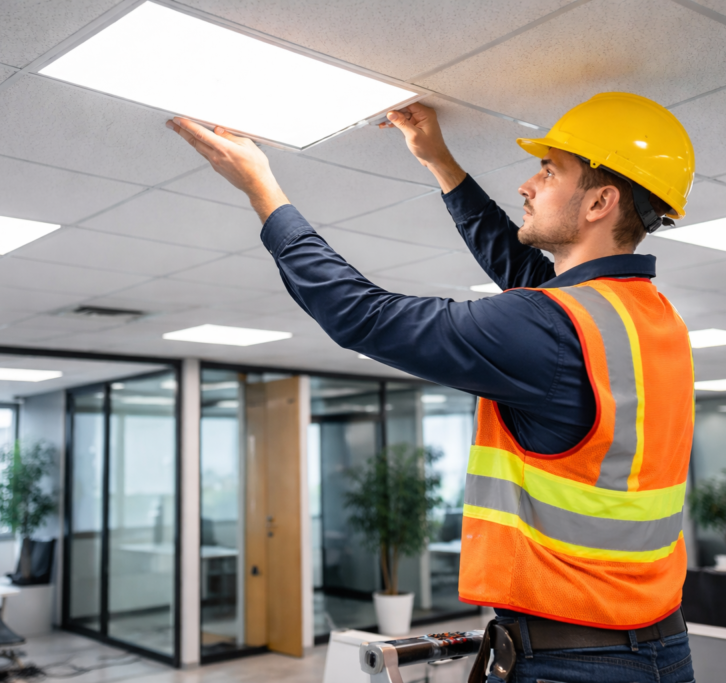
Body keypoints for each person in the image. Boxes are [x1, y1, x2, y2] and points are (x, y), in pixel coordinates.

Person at [166, 92, 696, 683]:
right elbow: (527, 278)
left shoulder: (551, 326)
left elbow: (360, 316)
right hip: (657, 646)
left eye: (549, 172)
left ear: (600, 200)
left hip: (575, 661)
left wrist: (262, 189)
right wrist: (439, 161)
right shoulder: (650, 317)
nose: (527, 184)